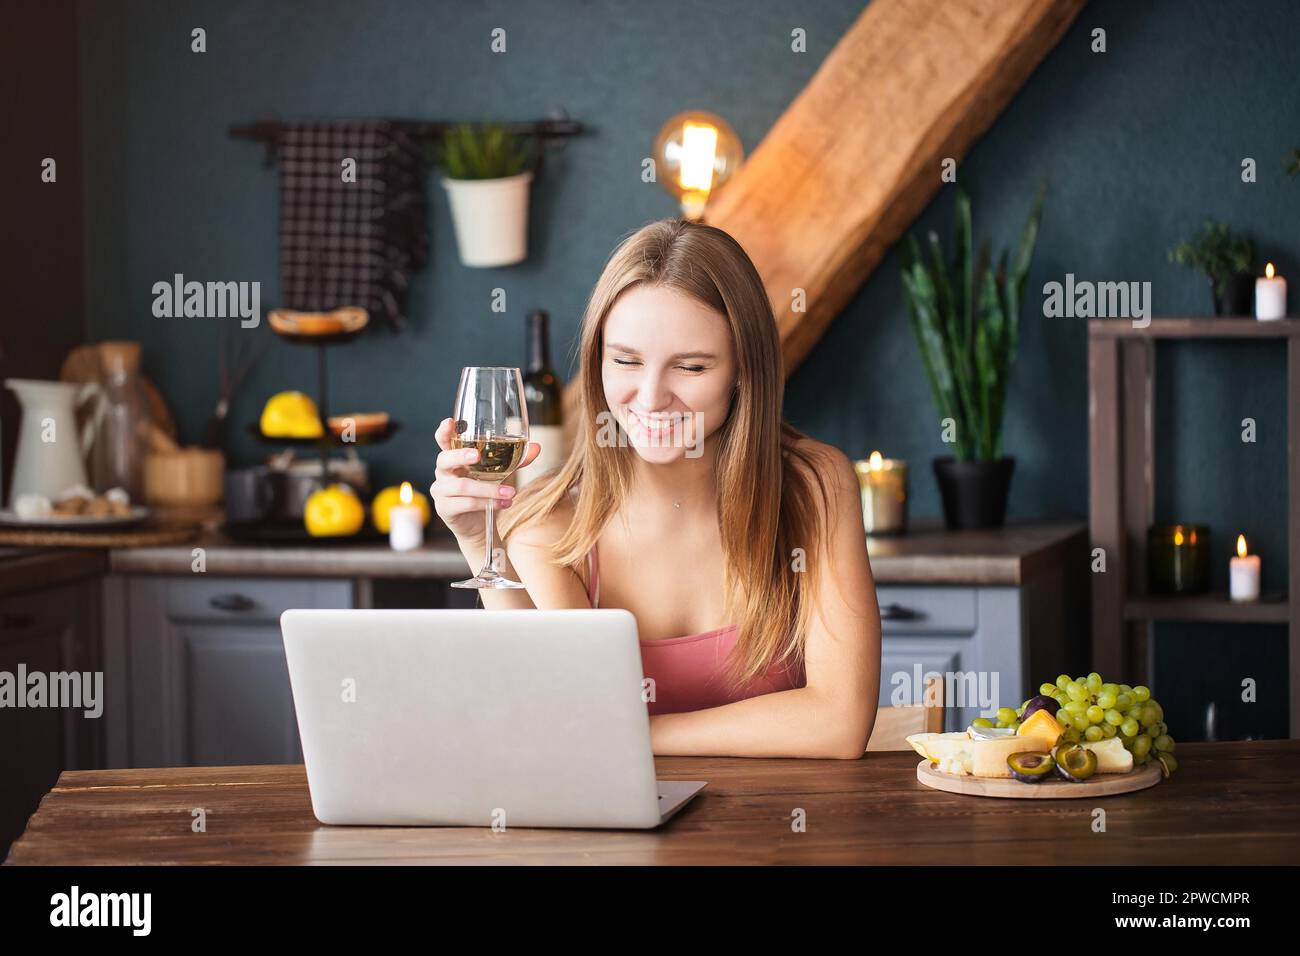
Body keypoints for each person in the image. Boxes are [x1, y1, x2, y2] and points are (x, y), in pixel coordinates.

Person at [431, 218, 881, 758]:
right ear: (598, 359)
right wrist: (480, 545)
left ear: (744, 369)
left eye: (690, 366)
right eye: (625, 361)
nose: (649, 398)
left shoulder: (815, 487)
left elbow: (839, 723)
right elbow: (566, 716)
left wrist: (634, 735)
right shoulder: (547, 527)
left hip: (783, 832)